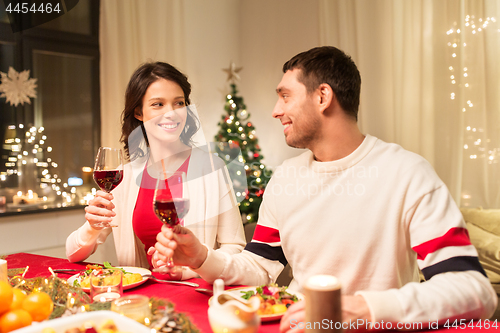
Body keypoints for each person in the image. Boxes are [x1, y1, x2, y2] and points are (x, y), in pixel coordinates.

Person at [153, 47, 498, 328]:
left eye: (285, 96)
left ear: (323, 96)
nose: (276, 111)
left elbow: (473, 291)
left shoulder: (408, 174)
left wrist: (363, 310)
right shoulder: (286, 177)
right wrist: (202, 257)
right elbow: (260, 267)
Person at [66, 62, 246, 280]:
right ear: (139, 112)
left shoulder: (212, 168)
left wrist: (187, 269)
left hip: (196, 297)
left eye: (179, 103)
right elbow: (72, 255)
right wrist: (92, 228)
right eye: (158, 104)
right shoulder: (123, 177)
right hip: (140, 300)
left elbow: (235, 248)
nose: (171, 113)